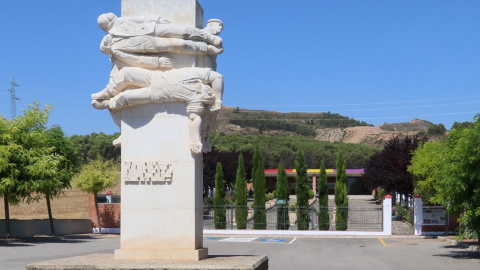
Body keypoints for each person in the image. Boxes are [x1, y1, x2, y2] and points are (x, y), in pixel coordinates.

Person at [91, 67, 223, 153]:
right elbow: (218, 77)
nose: (208, 93)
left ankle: (108, 103)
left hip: (156, 93)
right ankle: (106, 92)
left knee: (124, 97)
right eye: (210, 92)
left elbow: (194, 118)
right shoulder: (197, 74)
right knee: (125, 73)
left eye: (208, 97)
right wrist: (218, 99)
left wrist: (195, 141)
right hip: (154, 77)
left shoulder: (195, 98)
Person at [98, 13, 222, 46]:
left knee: (183, 31)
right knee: (181, 43)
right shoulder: (112, 35)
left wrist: (157, 19)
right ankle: (206, 37)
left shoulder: (122, 21)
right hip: (149, 42)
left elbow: (141, 19)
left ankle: (208, 36)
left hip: (154, 28)